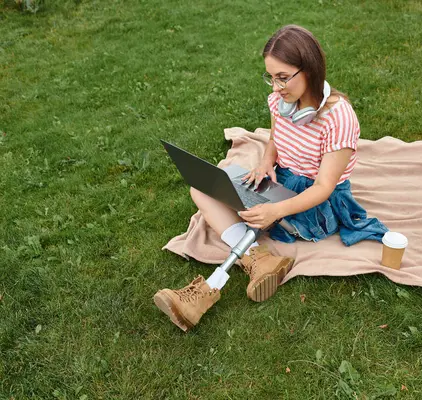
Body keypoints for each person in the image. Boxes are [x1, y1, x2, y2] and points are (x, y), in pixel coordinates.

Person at [153, 25, 388, 332]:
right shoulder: (280, 102)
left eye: (283, 77)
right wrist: (265, 163)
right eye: (271, 77)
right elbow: (275, 140)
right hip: (281, 182)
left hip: (318, 202)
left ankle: (213, 286)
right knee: (203, 188)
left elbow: (324, 187)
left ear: (310, 70)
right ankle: (258, 260)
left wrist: (275, 210)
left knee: (251, 210)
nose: (276, 87)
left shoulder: (339, 117)